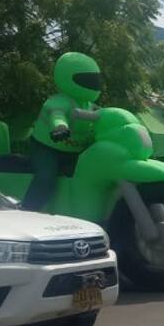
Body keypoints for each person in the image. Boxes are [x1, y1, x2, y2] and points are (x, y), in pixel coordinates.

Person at [23, 52, 104, 210]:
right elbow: (57, 114)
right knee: (46, 176)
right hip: (46, 148)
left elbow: (106, 117)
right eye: (88, 80)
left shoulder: (89, 106)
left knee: (88, 174)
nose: (94, 84)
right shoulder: (60, 101)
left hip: (74, 152)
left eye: (95, 80)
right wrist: (60, 127)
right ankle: (28, 209)